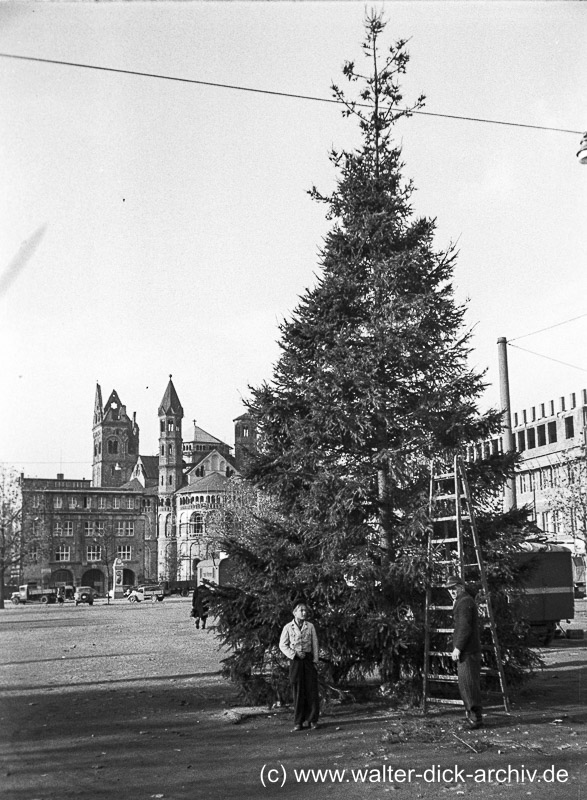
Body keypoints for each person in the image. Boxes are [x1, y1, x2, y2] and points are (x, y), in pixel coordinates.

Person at [446, 575, 483, 729]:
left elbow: (465, 627)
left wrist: (458, 648)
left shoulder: (465, 602)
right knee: (466, 685)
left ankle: (475, 720)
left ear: (461, 587)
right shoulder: (463, 601)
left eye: (454, 588)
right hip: (468, 651)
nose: (452, 592)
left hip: (468, 651)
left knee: (468, 685)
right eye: (449, 589)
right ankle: (471, 717)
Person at [279, 601, 320, 732]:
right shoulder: (288, 627)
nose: (304, 613)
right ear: (294, 612)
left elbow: (315, 643)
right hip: (296, 661)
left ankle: (312, 720)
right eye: (301, 610)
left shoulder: (310, 626)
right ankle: (298, 722)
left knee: (311, 690)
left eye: (305, 610)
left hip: (308, 660)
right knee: (298, 690)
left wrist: (315, 659)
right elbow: (282, 645)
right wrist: (294, 654)